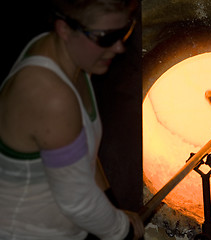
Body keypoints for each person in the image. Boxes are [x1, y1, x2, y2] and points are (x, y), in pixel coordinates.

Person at [0, 0, 144, 239]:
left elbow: (82, 152)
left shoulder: (64, 54)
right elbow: (77, 202)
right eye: (105, 37)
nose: (119, 48)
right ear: (64, 29)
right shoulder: (50, 96)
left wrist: (112, 207)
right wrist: (122, 230)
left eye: (125, 31)